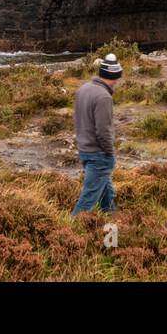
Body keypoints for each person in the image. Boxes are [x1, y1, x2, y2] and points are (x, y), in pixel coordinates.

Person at [72, 53, 122, 215]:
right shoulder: (103, 97)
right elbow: (103, 131)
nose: (117, 82)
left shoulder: (82, 89)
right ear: (113, 76)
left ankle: (111, 217)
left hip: (84, 149)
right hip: (98, 154)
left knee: (106, 192)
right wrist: (110, 152)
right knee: (88, 200)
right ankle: (70, 230)